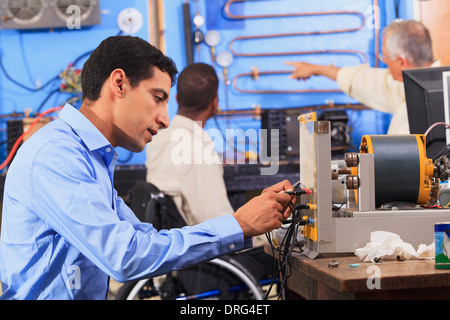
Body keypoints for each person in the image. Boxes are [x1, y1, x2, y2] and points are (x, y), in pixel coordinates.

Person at [0, 36, 294, 300]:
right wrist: (239, 224)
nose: (165, 120)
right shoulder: (58, 156)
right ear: (119, 84)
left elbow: (143, 242)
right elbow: (125, 257)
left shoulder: (92, 158)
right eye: (157, 98)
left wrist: (242, 223)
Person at [285, 20, 441, 135]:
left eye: (385, 57)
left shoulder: (436, 101)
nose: (384, 62)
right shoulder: (413, 86)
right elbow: (369, 81)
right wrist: (317, 69)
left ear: (401, 61)